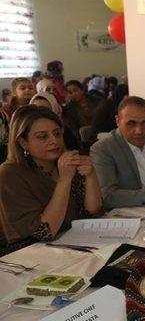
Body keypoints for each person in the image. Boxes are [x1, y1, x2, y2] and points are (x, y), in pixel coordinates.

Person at [0, 106, 102, 255]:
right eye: (43, 136)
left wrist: (90, 174)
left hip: (73, 245)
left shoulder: (65, 160)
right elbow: (44, 232)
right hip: (27, 255)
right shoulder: (9, 173)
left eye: (57, 134)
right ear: (23, 142)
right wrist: (64, 180)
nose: (54, 141)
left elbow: (92, 210)